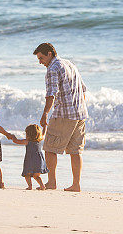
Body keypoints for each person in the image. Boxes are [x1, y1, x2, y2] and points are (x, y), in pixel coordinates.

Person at [33, 42, 88, 192]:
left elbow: (51, 93)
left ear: (49, 54)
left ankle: (51, 182)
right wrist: (78, 107)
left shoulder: (53, 68)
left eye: (41, 58)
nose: (40, 62)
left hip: (64, 114)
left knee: (50, 148)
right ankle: (76, 185)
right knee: (75, 151)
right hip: (80, 113)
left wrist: (45, 113)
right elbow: (83, 89)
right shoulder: (69, 64)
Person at [9, 124, 48, 190]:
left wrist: (13, 137)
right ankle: (42, 186)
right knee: (36, 176)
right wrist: (44, 126)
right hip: (39, 160)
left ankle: (30, 186)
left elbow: (16, 141)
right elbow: (44, 134)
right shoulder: (39, 140)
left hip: (30, 160)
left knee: (27, 174)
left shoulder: (27, 141)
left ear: (28, 134)